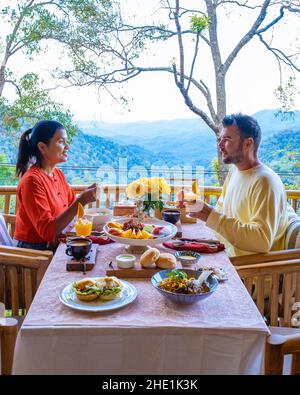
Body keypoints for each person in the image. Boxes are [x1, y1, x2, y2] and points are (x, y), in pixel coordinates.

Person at [188, 113, 288, 257]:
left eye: (227, 139)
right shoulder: (234, 172)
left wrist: (211, 215)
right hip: (225, 258)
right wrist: (202, 215)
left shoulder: (265, 181)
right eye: (220, 139)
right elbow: (221, 213)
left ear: (248, 143)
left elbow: (262, 241)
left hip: (250, 274)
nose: (220, 145)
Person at [14, 120, 98, 250]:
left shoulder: (57, 174)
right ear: (42, 147)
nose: (67, 147)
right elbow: (47, 232)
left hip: (55, 244)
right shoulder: (32, 181)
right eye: (60, 142)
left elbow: (71, 204)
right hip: (35, 253)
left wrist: (84, 198)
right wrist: (81, 201)